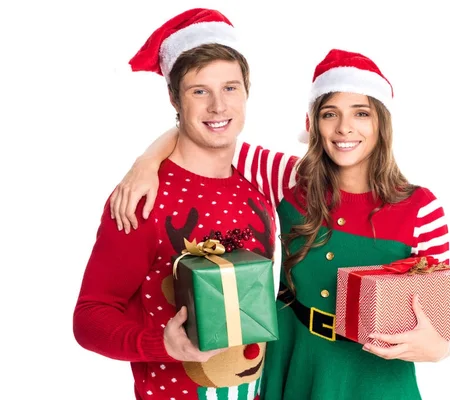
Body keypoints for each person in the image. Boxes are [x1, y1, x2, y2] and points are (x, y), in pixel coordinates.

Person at [110, 48, 450, 399]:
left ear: (381, 123)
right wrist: (145, 162)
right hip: (291, 363)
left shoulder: (420, 208)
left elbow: (443, 325)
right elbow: (209, 134)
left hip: (372, 379)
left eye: (361, 113)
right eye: (329, 114)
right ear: (313, 124)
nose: (344, 128)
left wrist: (441, 350)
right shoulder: (290, 178)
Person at [73, 8, 278, 400]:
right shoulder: (141, 199)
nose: (218, 107)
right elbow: (90, 317)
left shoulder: (256, 188)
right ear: (174, 97)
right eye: (200, 91)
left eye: (230, 88)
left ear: (247, 92)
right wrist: (161, 345)